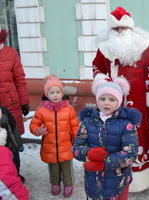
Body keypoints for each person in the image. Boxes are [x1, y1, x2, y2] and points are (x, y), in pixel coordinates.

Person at [92, 6, 149, 192]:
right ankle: (119, 177)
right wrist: (104, 83)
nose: (120, 31)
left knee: (139, 136)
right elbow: (97, 68)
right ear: (111, 30)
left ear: (130, 28)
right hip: (114, 100)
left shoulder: (144, 44)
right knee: (116, 136)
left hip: (138, 100)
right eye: (116, 29)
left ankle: (142, 179)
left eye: (123, 28)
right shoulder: (105, 47)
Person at [72, 74, 141, 200]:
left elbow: (131, 154)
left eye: (112, 99)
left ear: (119, 101)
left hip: (119, 180)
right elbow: (76, 148)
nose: (106, 103)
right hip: (93, 180)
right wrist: (89, 153)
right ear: (97, 100)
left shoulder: (126, 125)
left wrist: (104, 163)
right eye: (102, 99)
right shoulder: (88, 122)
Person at [29, 75, 79, 197]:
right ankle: (55, 184)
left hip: (66, 146)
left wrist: (77, 140)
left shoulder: (69, 109)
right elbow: (33, 125)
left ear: (62, 93)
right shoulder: (41, 110)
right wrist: (38, 131)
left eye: (58, 92)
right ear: (47, 94)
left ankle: (68, 184)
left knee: (66, 168)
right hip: (49, 147)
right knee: (53, 169)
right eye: (52, 92)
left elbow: (75, 126)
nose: (55, 95)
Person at [0, 28, 29, 183]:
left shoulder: (11, 53)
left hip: (10, 103)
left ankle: (14, 175)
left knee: (11, 141)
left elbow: (19, 79)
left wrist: (24, 102)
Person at [0, 109, 29, 200]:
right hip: (4, 150)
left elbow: (13, 129)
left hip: (10, 147)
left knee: (14, 166)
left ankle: (16, 176)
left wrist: (19, 144)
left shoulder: (4, 113)